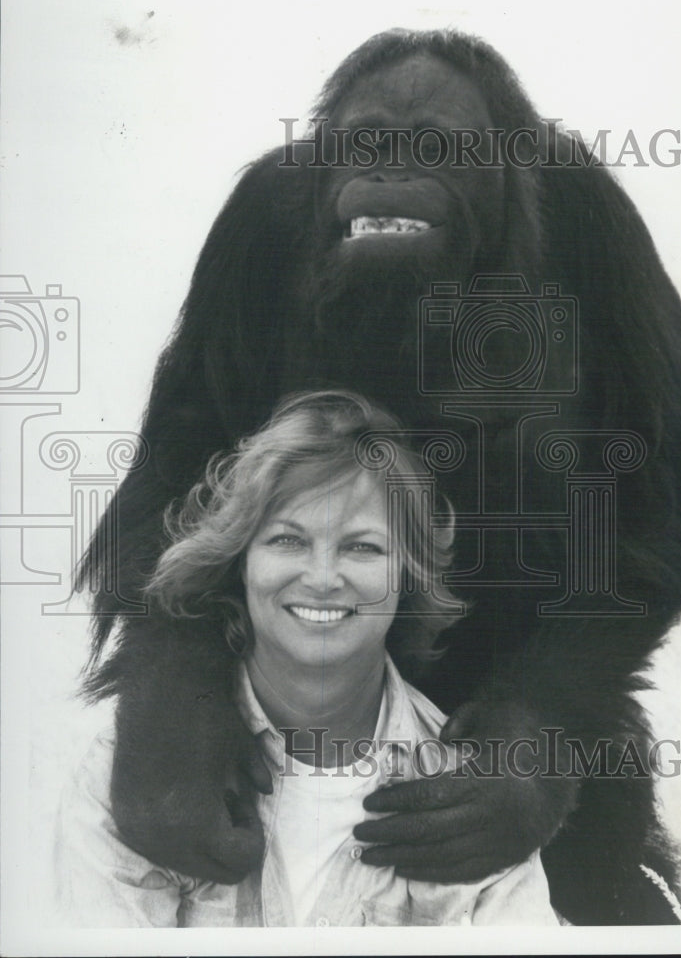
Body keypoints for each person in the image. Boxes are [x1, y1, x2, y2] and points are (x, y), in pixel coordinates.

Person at [55, 390, 561, 928]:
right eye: (287, 540)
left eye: (363, 547)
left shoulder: (474, 797)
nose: (322, 579)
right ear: (240, 563)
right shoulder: (132, 770)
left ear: (407, 575)